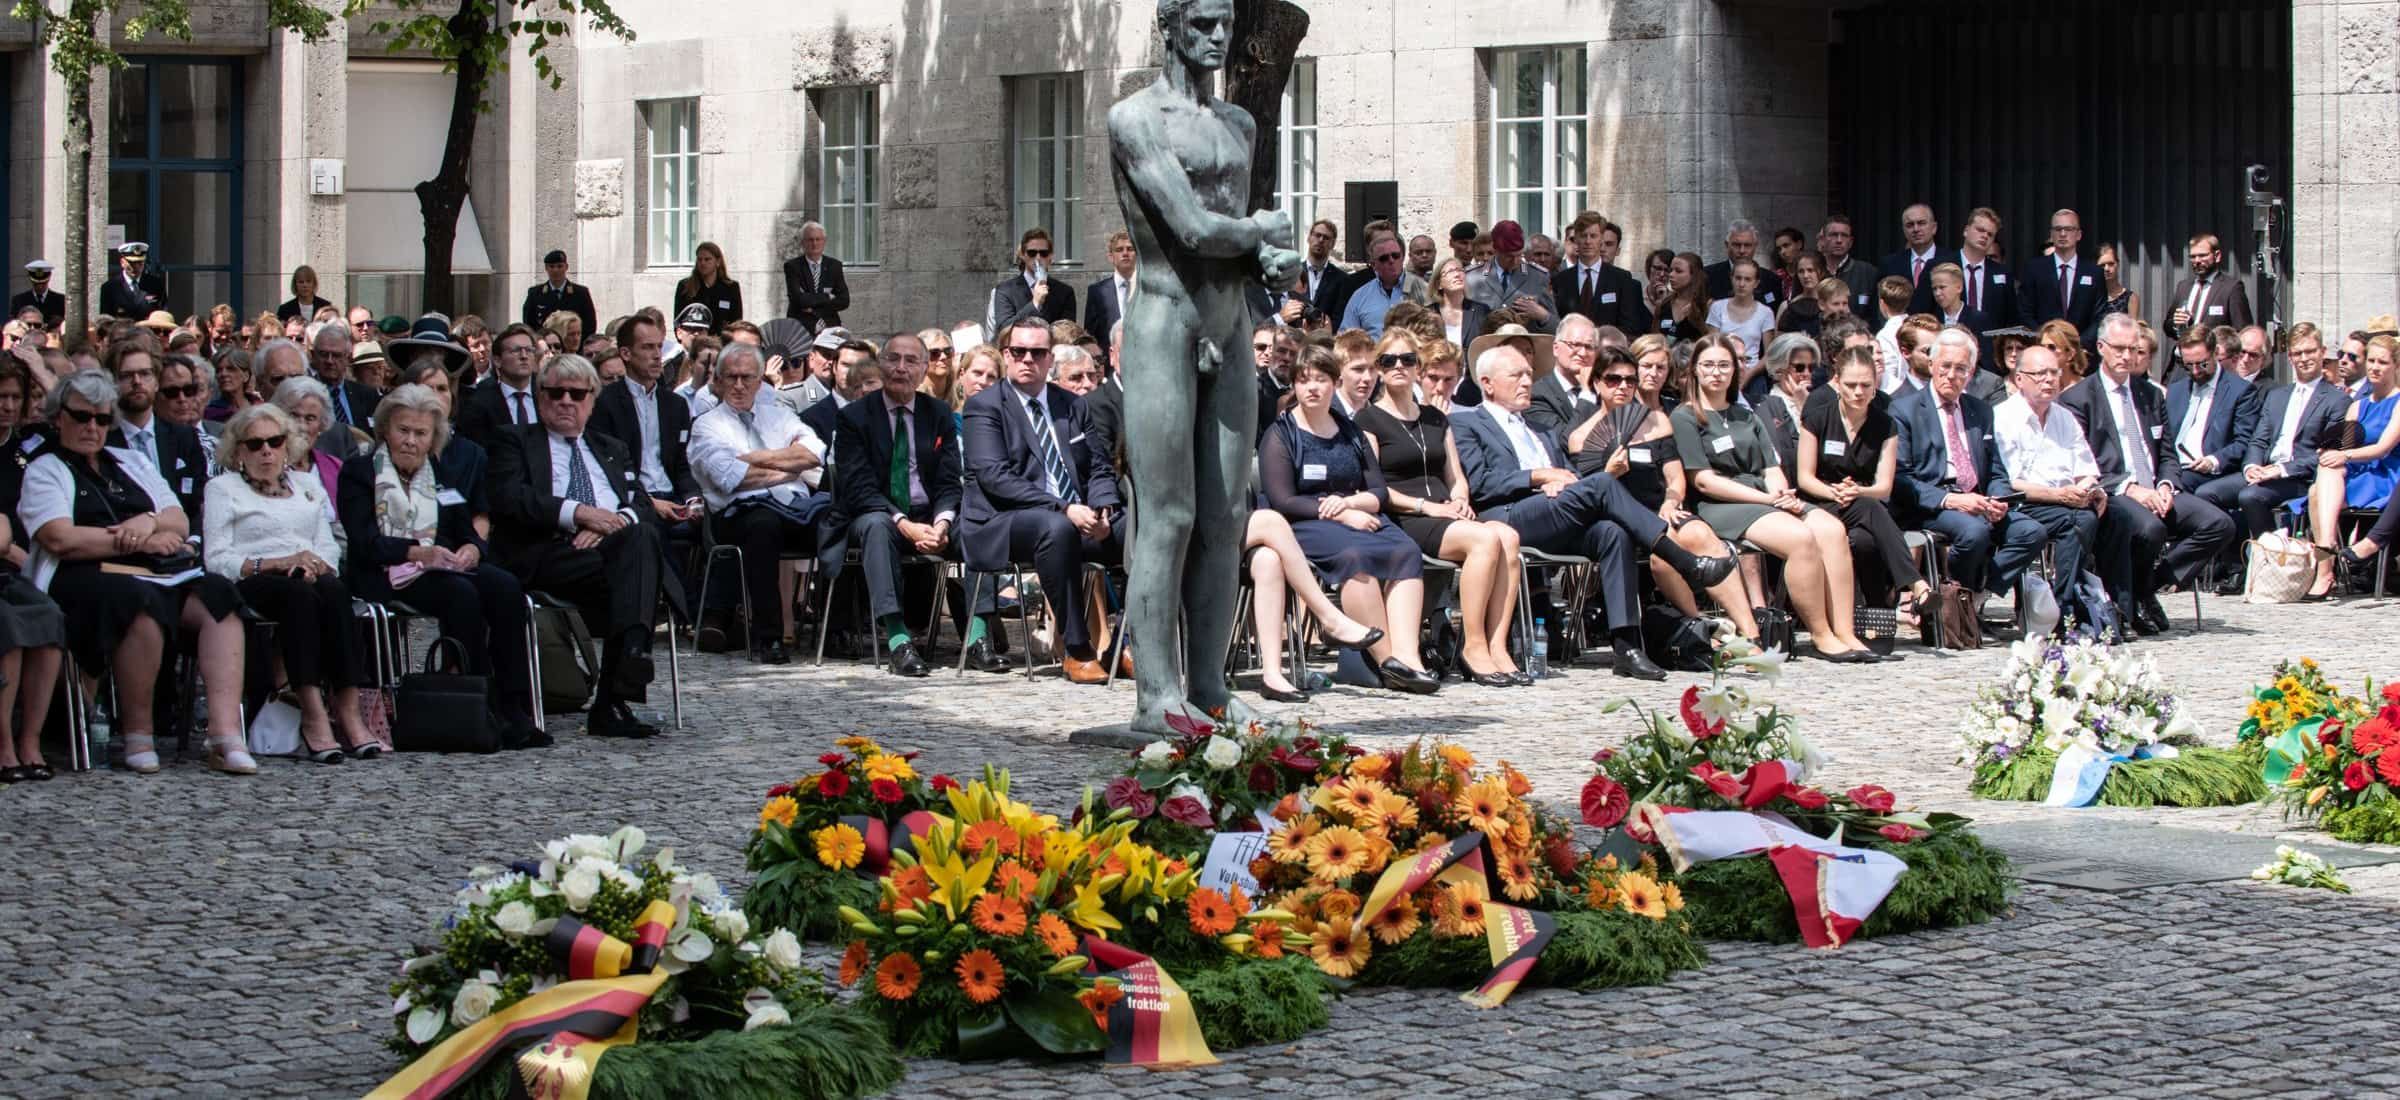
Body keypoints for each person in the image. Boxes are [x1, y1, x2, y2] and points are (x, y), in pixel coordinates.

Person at [1452, 341, 1736, 679]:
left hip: (1554, 511)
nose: (1527, 381)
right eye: (1516, 375)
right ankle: (1684, 561)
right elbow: (1481, 485)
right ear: (1487, 383)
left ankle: (1627, 646)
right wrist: (1537, 477)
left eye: (1529, 374)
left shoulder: (1540, 429)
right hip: (1507, 517)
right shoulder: (1468, 423)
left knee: (1613, 533)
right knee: (1602, 484)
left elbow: (1567, 473)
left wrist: (1561, 482)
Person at [24, 369, 248, 774]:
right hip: (82, 576)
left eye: (102, 419)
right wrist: (141, 539)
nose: (92, 427)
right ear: (59, 417)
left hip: (158, 571)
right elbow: (59, 538)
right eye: (81, 417)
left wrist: (147, 522)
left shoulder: (130, 460)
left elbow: (177, 520)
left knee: (219, 596)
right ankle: (138, 734)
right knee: (137, 601)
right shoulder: (46, 468)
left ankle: (225, 733)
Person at [339, 384, 542, 747]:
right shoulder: (360, 472)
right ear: (386, 429)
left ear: (434, 438)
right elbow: (365, 542)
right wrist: (417, 553)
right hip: (383, 572)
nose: (410, 441)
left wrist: (472, 550)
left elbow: (465, 529)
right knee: (460, 593)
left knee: (505, 586)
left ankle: (515, 705)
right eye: (403, 430)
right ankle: (483, 704)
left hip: (439, 565)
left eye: (421, 433)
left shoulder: (437, 471)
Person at [486, 355, 676, 737]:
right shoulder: (515, 440)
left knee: (638, 540)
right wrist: (578, 513)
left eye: (577, 394)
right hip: (548, 553)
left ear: (592, 400)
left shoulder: (611, 447)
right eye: (556, 393)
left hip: (611, 557)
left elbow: (641, 503)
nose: (566, 401)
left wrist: (611, 526)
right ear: (541, 397)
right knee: (638, 561)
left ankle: (620, 683)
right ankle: (620, 686)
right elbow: (510, 498)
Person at [1674, 333, 1878, 661]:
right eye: (1708, 365)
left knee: (1831, 528)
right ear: (1695, 370)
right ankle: (1821, 634)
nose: (1716, 372)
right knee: (1800, 538)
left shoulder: (1746, 415)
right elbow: (1705, 481)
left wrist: (1782, 494)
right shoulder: (1685, 417)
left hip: (1764, 498)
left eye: (1724, 365)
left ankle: (1845, 631)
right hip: (1722, 505)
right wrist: (1768, 501)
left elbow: (1770, 466)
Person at [203, 402, 379, 762]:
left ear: (287, 445)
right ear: (238, 451)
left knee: (334, 590)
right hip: (254, 576)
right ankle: (313, 713)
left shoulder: (305, 483)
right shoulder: (223, 488)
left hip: (307, 573)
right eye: (255, 444)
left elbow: (327, 544)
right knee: (298, 596)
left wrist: (318, 565)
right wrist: (277, 563)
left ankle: (348, 709)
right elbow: (217, 559)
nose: (266, 450)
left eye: (274, 441)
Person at [1259, 347, 1437, 694]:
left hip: (1356, 512)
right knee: (1355, 557)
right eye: (1303, 380)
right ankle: (1386, 660)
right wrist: (1341, 512)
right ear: (1293, 385)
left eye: (1321, 380)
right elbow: (1283, 500)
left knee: (1406, 551)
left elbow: (1379, 491)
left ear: (1334, 383)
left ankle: (1408, 656)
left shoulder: (1350, 430)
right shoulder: (1280, 434)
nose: (1312, 388)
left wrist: (1352, 504)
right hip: (1304, 521)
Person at [1354, 329, 1525, 684]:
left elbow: (1456, 475)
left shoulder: (1436, 417)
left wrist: (1460, 498)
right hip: (1405, 515)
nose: (1399, 366)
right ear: (1379, 370)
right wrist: (1425, 507)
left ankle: (1498, 647)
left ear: (1418, 367)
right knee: (1484, 540)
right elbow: (1376, 487)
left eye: (1407, 359)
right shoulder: (1367, 420)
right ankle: (1472, 646)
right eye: (1389, 361)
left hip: (1447, 511)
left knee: (1507, 536)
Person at [960, 320, 1124, 683]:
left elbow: (1099, 466)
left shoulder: (1072, 405)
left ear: (1050, 359)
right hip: (1004, 521)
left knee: (1142, 528)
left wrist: (1102, 509)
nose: (1027, 360)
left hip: (1077, 516)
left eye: (1037, 353)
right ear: (1006, 356)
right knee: (1056, 527)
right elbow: (996, 478)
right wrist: (1065, 507)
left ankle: (1128, 642)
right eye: (1019, 352)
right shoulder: (984, 406)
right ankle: (1077, 650)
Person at [2058, 313, 2238, 633]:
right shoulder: (2079, 398)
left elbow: (2166, 450)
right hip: (2113, 492)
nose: (2126, 356)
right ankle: (2130, 601)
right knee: (2149, 529)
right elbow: (2084, 463)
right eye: (2119, 348)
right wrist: (2130, 488)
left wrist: (2167, 484)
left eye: (2133, 349)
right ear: (2101, 347)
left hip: (2156, 487)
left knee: (2219, 524)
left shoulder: (2150, 394)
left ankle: (2148, 586)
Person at [1566, 343, 1758, 638]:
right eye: (1613, 380)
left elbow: (1675, 478)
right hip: (1619, 520)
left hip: (1660, 509)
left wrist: (1672, 501)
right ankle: (1699, 627)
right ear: (1597, 383)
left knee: (1699, 534)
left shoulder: (1656, 421)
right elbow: (1588, 495)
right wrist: (1609, 474)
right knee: (1665, 551)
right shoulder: (1581, 436)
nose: (1623, 387)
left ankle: (1750, 630)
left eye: (1630, 380)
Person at [835, 318, 972, 678]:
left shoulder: (938, 413)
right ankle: (898, 640)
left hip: (929, 514)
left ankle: (978, 637)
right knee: (878, 528)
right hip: (878, 512)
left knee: (976, 526)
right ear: (880, 364)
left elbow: (948, 479)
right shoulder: (854, 417)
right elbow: (858, 487)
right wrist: (906, 525)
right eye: (893, 359)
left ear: (924, 369)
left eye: (911, 361)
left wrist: (942, 522)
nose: (901, 368)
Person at [687, 342, 834, 665]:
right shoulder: (707, 425)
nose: (740, 385)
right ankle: (771, 637)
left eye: (747, 378)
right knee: (762, 526)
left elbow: (814, 454)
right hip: (738, 515)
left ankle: (838, 628)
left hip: (794, 509)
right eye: (732, 377)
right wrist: (788, 467)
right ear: (720, 380)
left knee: (840, 519)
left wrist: (752, 459)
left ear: (759, 381)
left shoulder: (778, 416)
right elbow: (731, 478)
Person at [1890, 328, 2050, 623]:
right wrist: (1951, 500)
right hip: (1931, 502)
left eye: (1961, 368)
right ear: (1933, 365)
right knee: (1974, 532)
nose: (1952, 375)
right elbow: (1900, 478)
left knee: (2031, 532)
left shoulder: (1980, 410)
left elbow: (1996, 469)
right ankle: (1959, 602)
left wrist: (1999, 500)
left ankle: (1976, 595)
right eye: (1946, 366)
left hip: (1979, 498)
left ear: (1971, 371)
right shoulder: (1904, 409)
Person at [1797, 346, 1934, 612]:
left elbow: (1883, 487)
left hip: (1864, 503)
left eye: (1865, 385)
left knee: (1864, 541)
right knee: (1868, 508)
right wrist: (1836, 493)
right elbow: (1805, 478)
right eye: (1850, 385)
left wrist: (1857, 492)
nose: (1858, 392)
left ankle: (1875, 614)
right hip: (1821, 502)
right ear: (1837, 383)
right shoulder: (1817, 419)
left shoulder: (1885, 425)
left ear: (1875, 386)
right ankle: (1916, 585)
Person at [2294, 333, 2400, 596]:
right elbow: (2347, 445)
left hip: (2385, 473)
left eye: (2382, 362)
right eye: (2372, 361)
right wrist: (2333, 450)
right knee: (2325, 471)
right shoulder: (2358, 406)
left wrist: (2345, 456)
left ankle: (2325, 570)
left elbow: (2382, 448)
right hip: (2359, 472)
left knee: (2317, 491)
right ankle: (2328, 544)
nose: (2374, 367)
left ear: (2396, 366)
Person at [101, 336, 209, 524]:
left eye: (145, 374)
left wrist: (192, 543)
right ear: (112, 382)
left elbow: (198, 505)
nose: (137, 382)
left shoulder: (184, 437)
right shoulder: (102, 442)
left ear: (157, 381)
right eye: (126, 376)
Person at [2165, 327, 2261, 498]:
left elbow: (2244, 441)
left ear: (2216, 352)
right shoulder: (2175, 390)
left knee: (2175, 487)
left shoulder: (2240, 391)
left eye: (2202, 364)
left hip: (2208, 472)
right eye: (2188, 365)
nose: (2195, 371)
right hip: (2171, 468)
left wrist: (2213, 461)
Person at [456, 323, 544, 447]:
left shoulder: (548, 394)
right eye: (516, 351)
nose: (524, 356)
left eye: (529, 350)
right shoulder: (478, 403)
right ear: (497, 361)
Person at [2019, 209, 2104, 334]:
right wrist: (2044, 339)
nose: (2063, 234)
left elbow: (2099, 317)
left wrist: (2080, 344)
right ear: (2051, 234)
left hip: (2082, 349)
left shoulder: (2094, 272)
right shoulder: (2034, 269)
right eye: (2058, 229)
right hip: (2044, 346)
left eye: (2069, 229)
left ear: (2079, 235)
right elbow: (2024, 312)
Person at [270, 376, 351, 507]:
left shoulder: (336, 467)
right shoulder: (266, 465)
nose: (301, 426)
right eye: (293, 415)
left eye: (310, 418)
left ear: (322, 425)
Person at [986, 228, 1078, 335]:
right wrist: (1035, 304)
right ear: (1023, 255)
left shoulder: (1065, 292)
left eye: (1044, 253)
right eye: (1032, 253)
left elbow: (1067, 334)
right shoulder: (1005, 290)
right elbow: (1004, 330)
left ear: (1051, 256)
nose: (1038, 258)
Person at [1467, 220, 1554, 332]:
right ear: (1495, 250)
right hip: (1484, 346)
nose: (1515, 261)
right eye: (1509, 256)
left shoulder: (1538, 277)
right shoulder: (1472, 277)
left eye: (1519, 255)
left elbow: (1555, 326)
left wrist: (1543, 315)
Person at [2164, 233, 2249, 342]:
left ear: (2217, 256)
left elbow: (2242, 331)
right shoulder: (2183, 286)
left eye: (2203, 255)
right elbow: (2167, 326)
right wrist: (2175, 324)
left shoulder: (2231, 288)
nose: (2197, 261)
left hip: (2213, 357)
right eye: (2193, 257)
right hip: (2181, 357)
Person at [1529, 313, 1604, 435]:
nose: (1583, 353)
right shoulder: (1537, 395)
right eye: (1575, 345)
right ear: (1556, 348)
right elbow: (1563, 442)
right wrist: (1586, 394)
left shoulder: (1603, 389)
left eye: (1589, 347)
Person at [1706, 259, 1777, 383]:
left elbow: (1769, 354)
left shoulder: (1765, 313)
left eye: (1747, 279)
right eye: (1738, 278)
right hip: (1722, 371)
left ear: (1756, 283)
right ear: (1731, 278)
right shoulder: (1717, 307)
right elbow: (1713, 344)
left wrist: (1748, 375)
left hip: (1752, 373)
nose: (1742, 284)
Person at [1954, 207, 2017, 330]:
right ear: (1966, 230)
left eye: (1990, 234)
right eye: (1980, 230)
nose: (1984, 236)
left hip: (1990, 343)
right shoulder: (1939, 265)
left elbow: (2011, 318)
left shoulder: (2002, 273)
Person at [307, 322, 379, 429]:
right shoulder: (304, 395)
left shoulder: (367, 395)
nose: (329, 361)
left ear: (348, 358)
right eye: (323, 354)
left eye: (336, 355)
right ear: (313, 356)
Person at [1339, 233, 1413, 337]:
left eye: (1395, 255)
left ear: (1402, 257)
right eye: (1384, 258)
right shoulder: (1359, 297)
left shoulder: (1422, 290)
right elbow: (1346, 338)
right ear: (1374, 265)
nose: (1391, 260)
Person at [782, 221, 850, 331]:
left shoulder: (834, 266)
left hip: (829, 325)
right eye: (810, 239)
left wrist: (814, 308)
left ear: (824, 242)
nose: (814, 243)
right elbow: (797, 299)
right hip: (801, 327)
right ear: (802, 242)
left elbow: (844, 300)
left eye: (818, 239)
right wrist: (827, 297)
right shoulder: (792, 267)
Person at [1705, 220, 1787, 309]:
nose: (1742, 251)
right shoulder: (1707, 276)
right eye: (1737, 245)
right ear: (1726, 245)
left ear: (1755, 246)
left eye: (1747, 245)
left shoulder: (1772, 280)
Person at [1084, 230, 1138, 355]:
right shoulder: (1096, 292)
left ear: (1137, 254)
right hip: (1109, 365)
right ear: (1111, 257)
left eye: (1130, 249)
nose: (1125, 253)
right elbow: (1091, 335)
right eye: (1119, 250)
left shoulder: (1147, 289)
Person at [672, 242, 743, 335]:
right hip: (695, 343)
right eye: (699, 259)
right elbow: (678, 320)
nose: (703, 263)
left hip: (721, 343)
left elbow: (736, 322)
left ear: (718, 262)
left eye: (707, 259)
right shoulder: (685, 286)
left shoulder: (731, 287)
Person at [522, 249, 598, 336]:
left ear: (566, 267)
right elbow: (528, 324)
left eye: (559, 266)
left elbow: (590, 325)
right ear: (546, 268)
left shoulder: (581, 293)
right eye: (551, 266)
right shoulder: (535, 293)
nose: (555, 270)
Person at [99, 241, 169, 319]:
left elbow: (163, 316)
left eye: (140, 263)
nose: (136, 267)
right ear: (122, 262)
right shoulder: (109, 288)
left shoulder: (156, 285)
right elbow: (106, 321)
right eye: (132, 263)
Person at [1655, 252, 1709, 340]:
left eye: (1678, 271)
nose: (1671, 275)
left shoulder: (1706, 305)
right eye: (1671, 270)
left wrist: (1699, 323)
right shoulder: (1664, 304)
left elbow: (1711, 341)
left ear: (1694, 275)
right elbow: (1654, 338)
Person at [12, 260, 65, 329]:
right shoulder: (19, 300)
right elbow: (14, 324)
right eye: (36, 284)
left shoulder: (60, 300)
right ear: (31, 280)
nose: (40, 287)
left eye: (43, 283)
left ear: (48, 279)